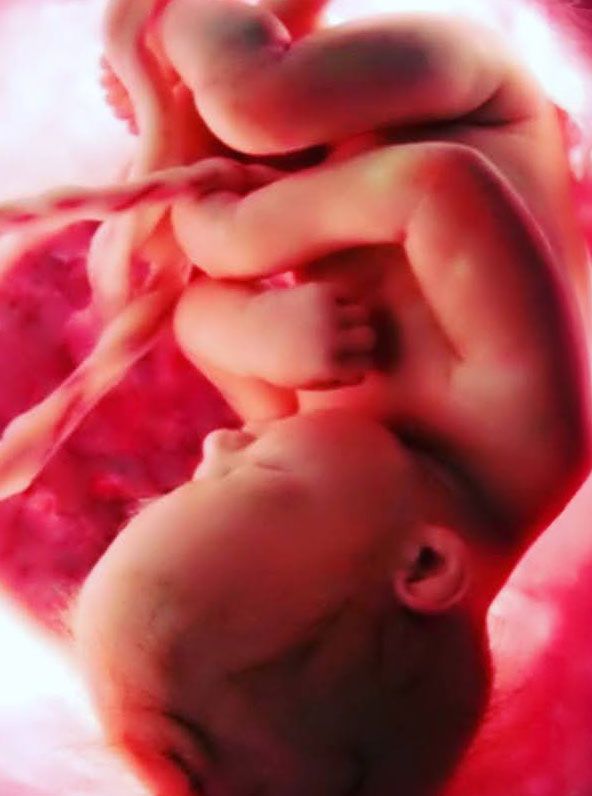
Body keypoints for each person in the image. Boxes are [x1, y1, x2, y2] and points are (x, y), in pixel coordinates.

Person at [70, 2, 591, 795]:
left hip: (332, 149)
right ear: (423, 564)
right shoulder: (529, 432)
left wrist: (256, 329)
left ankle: (229, 58)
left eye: (193, 482)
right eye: (253, 479)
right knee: (251, 113)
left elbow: (197, 317)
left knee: (197, 188)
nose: (221, 446)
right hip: (459, 101)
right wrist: (242, 234)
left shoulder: (337, 470)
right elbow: (440, 185)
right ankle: (199, 18)